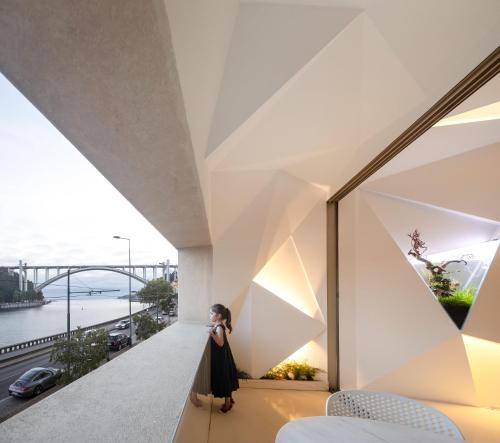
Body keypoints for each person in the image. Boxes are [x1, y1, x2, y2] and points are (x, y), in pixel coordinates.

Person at [208, 303, 239, 413]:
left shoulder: (220, 327)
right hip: (223, 356)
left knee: (224, 378)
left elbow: (220, 343)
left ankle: (227, 405)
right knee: (226, 378)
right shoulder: (218, 325)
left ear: (219, 316)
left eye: (211, 313)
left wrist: (211, 334)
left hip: (221, 358)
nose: (209, 315)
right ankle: (229, 400)